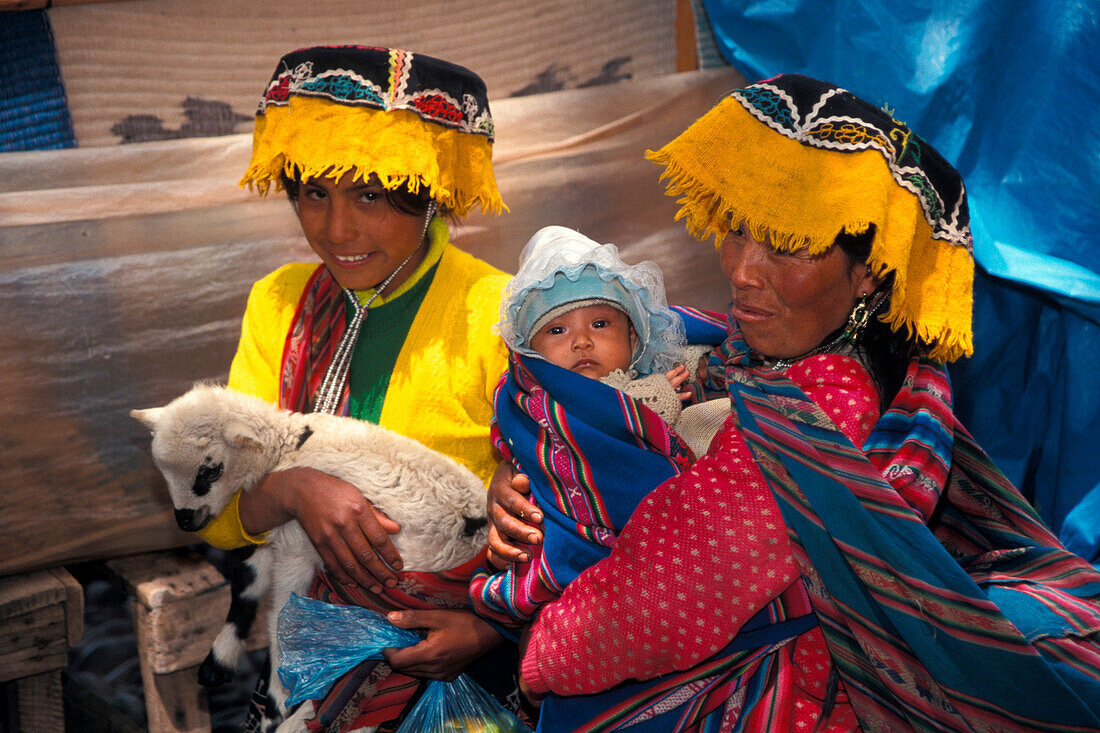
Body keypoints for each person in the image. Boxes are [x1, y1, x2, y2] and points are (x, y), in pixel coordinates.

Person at [488, 74, 1100, 731]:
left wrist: (529, 658)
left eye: (789, 245)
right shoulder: (742, 353)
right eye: (737, 230)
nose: (744, 269)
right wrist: (521, 472)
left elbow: (660, 597)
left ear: (867, 271)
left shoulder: (818, 411)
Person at [192, 45, 521, 731]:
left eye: (369, 195)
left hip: (468, 668)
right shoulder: (279, 303)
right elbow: (213, 507)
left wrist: (488, 630)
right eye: (315, 193)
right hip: (307, 668)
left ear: (429, 188)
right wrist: (291, 489)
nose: (336, 231)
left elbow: (573, 514)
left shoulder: (497, 313)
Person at [468, 225, 726, 630]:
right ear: (530, 354)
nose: (582, 342)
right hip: (585, 556)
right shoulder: (536, 404)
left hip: (691, 544)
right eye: (557, 330)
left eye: (601, 324)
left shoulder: (674, 373)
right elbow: (539, 440)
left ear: (635, 337)